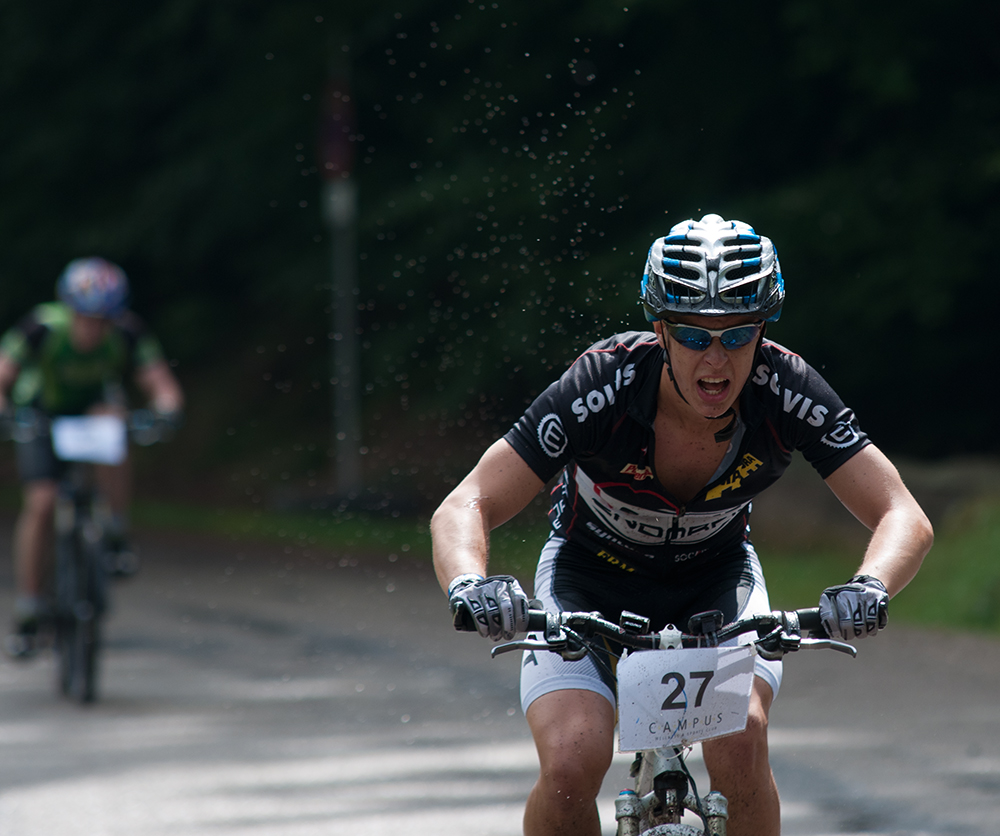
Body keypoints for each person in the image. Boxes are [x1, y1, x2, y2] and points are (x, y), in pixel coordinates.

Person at [431, 214, 933, 836]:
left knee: (740, 738)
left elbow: (901, 512)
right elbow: (468, 501)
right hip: (589, 580)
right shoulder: (603, 384)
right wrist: (470, 585)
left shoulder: (786, 389)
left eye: (738, 335)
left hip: (715, 584)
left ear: (763, 332)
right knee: (569, 765)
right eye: (695, 337)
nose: (717, 361)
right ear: (661, 331)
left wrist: (870, 586)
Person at [0, 257, 184, 658]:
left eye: (102, 320)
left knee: (114, 427)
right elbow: (3, 375)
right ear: (70, 311)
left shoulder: (129, 333)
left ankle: (116, 533)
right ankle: (30, 605)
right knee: (42, 502)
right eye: (85, 318)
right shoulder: (41, 328)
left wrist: (166, 411)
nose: (92, 329)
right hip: (42, 415)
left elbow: (161, 384)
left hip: (92, 414)